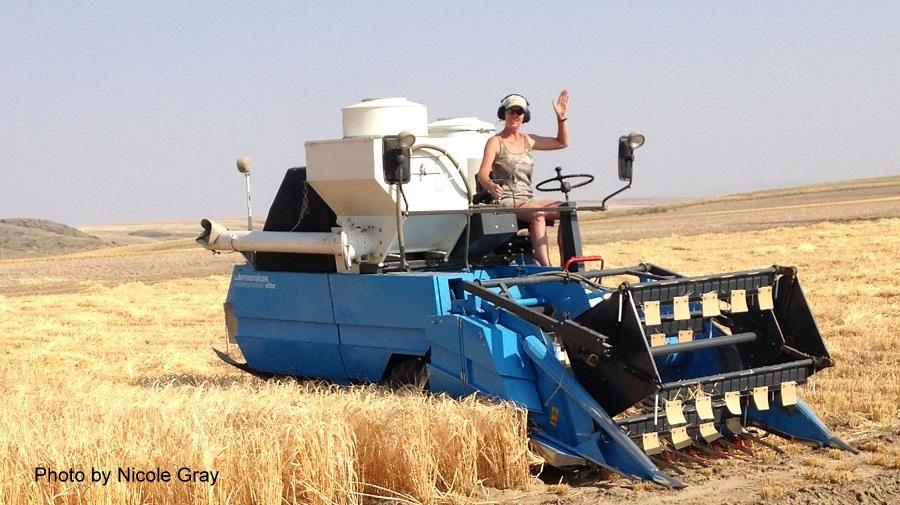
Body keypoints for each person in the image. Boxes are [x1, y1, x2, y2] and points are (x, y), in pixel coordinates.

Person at [477, 90, 570, 266]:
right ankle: (545, 267)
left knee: (567, 210)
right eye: (511, 111)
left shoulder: (529, 140)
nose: (515, 115)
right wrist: (489, 184)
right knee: (538, 213)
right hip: (506, 199)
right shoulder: (495, 142)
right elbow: (482, 174)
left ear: (524, 116)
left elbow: (562, 142)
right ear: (503, 114)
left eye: (519, 112)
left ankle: (569, 265)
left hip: (527, 197)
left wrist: (561, 118)